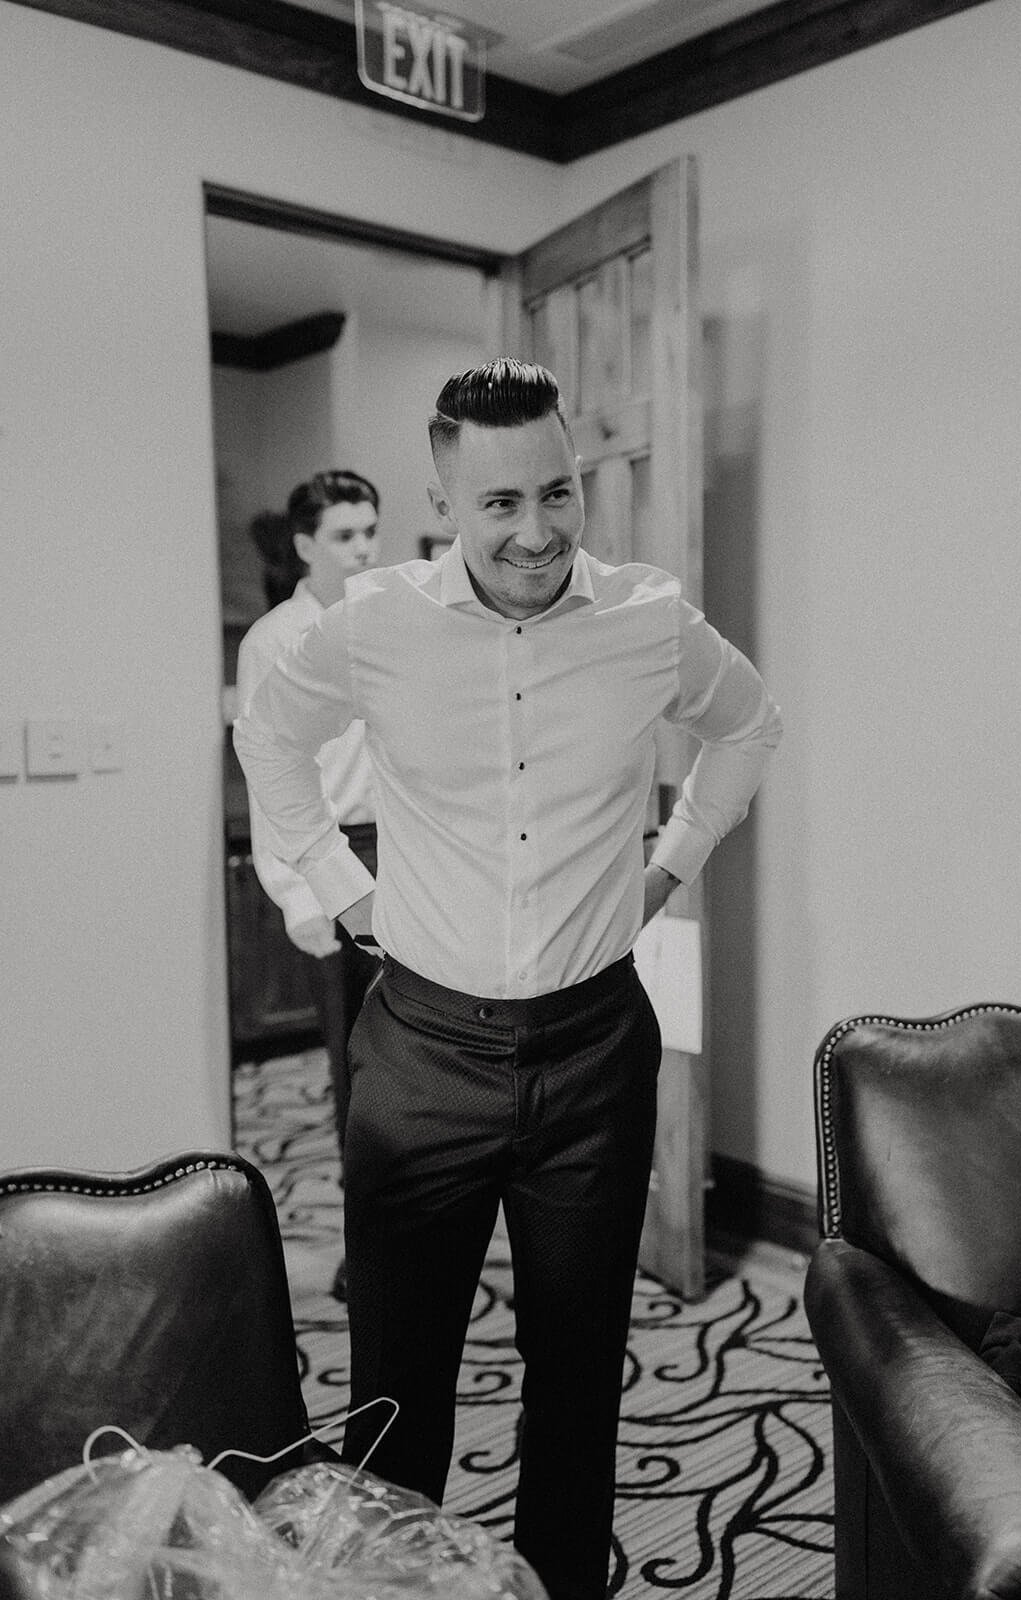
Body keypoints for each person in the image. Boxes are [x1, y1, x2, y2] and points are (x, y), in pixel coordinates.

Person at [234, 360, 783, 1600]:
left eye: (558, 493)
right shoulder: (373, 623)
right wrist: (337, 885)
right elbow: (268, 730)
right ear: (444, 499)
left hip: (595, 1050)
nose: (534, 531)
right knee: (396, 1390)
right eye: (498, 505)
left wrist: (667, 866)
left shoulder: (649, 620)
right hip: (419, 1054)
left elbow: (748, 723)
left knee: (580, 1369)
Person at [235, 469, 382, 1301]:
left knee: (425, 1066)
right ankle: (371, 1256)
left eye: (370, 531)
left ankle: (426, 1241)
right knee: (359, 1071)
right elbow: (271, 775)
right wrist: (301, 896)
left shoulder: (388, 623)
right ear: (303, 546)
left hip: (413, 853)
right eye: (344, 536)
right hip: (333, 859)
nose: (364, 548)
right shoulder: (275, 641)